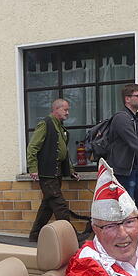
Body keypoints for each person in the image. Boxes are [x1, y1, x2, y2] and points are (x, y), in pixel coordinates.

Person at [26, 98, 80, 242]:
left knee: (47, 206)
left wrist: (71, 170)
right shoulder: (46, 124)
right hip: (47, 173)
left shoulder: (60, 127)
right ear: (56, 109)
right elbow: (32, 147)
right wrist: (33, 168)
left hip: (56, 173)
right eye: (65, 110)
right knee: (59, 205)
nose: (67, 113)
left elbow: (63, 152)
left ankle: (35, 235)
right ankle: (72, 236)